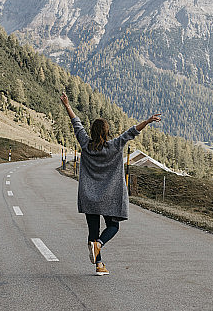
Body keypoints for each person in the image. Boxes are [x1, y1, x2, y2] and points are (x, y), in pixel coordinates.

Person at [60, 92, 161, 276]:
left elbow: (77, 125)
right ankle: (99, 246)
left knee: (93, 230)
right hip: (109, 198)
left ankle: (99, 264)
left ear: (91, 132)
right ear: (107, 132)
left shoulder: (85, 144)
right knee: (113, 227)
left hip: (89, 197)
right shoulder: (114, 146)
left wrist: (67, 105)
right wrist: (147, 121)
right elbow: (131, 132)